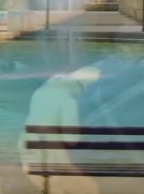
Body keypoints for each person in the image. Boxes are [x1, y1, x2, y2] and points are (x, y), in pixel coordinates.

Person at [19, 66, 103, 194]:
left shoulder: (42, 90)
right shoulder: (68, 100)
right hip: (50, 154)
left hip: (26, 146)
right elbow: (71, 139)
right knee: (88, 190)